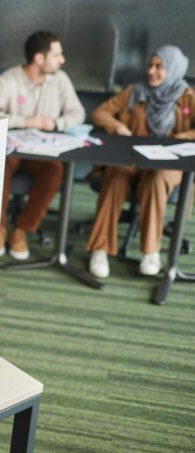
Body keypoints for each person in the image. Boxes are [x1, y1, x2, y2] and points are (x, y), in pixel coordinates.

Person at [86, 45, 195, 278]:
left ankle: (150, 252)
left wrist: (180, 137)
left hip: (167, 164)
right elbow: (100, 113)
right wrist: (118, 126)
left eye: (160, 67)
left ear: (173, 69)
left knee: (156, 180)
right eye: (150, 65)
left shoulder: (187, 97)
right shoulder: (135, 91)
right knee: (115, 175)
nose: (152, 71)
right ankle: (100, 249)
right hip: (131, 159)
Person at [0, 30, 85, 260]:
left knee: (55, 171)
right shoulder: (8, 80)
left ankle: (22, 230)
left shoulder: (60, 80)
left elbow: (78, 113)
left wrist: (55, 123)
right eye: (57, 55)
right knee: (0, 164)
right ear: (39, 58)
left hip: (43, 152)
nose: (62, 60)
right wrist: (24, 121)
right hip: (13, 149)